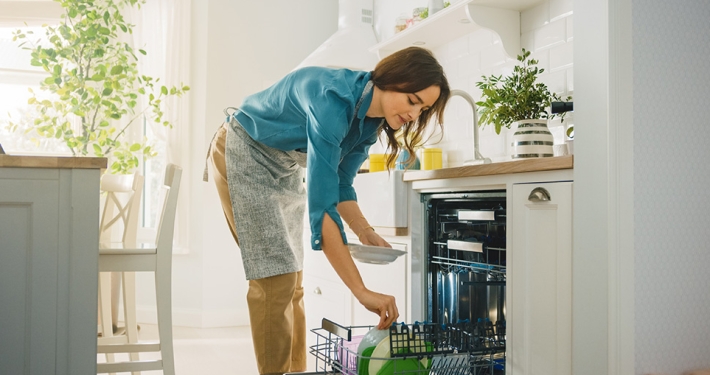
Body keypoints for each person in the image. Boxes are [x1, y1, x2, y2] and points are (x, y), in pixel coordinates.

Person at [205, 46, 450, 375]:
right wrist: (360, 291)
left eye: (423, 109)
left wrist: (365, 231)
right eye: (412, 101)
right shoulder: (332, 100)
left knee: (292, 282)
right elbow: (322, 209)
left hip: (282, 164)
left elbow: (340, 185)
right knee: (275, 281)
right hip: (244, 149)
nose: (414, 114)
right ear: (393, 79)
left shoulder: (370, 123)